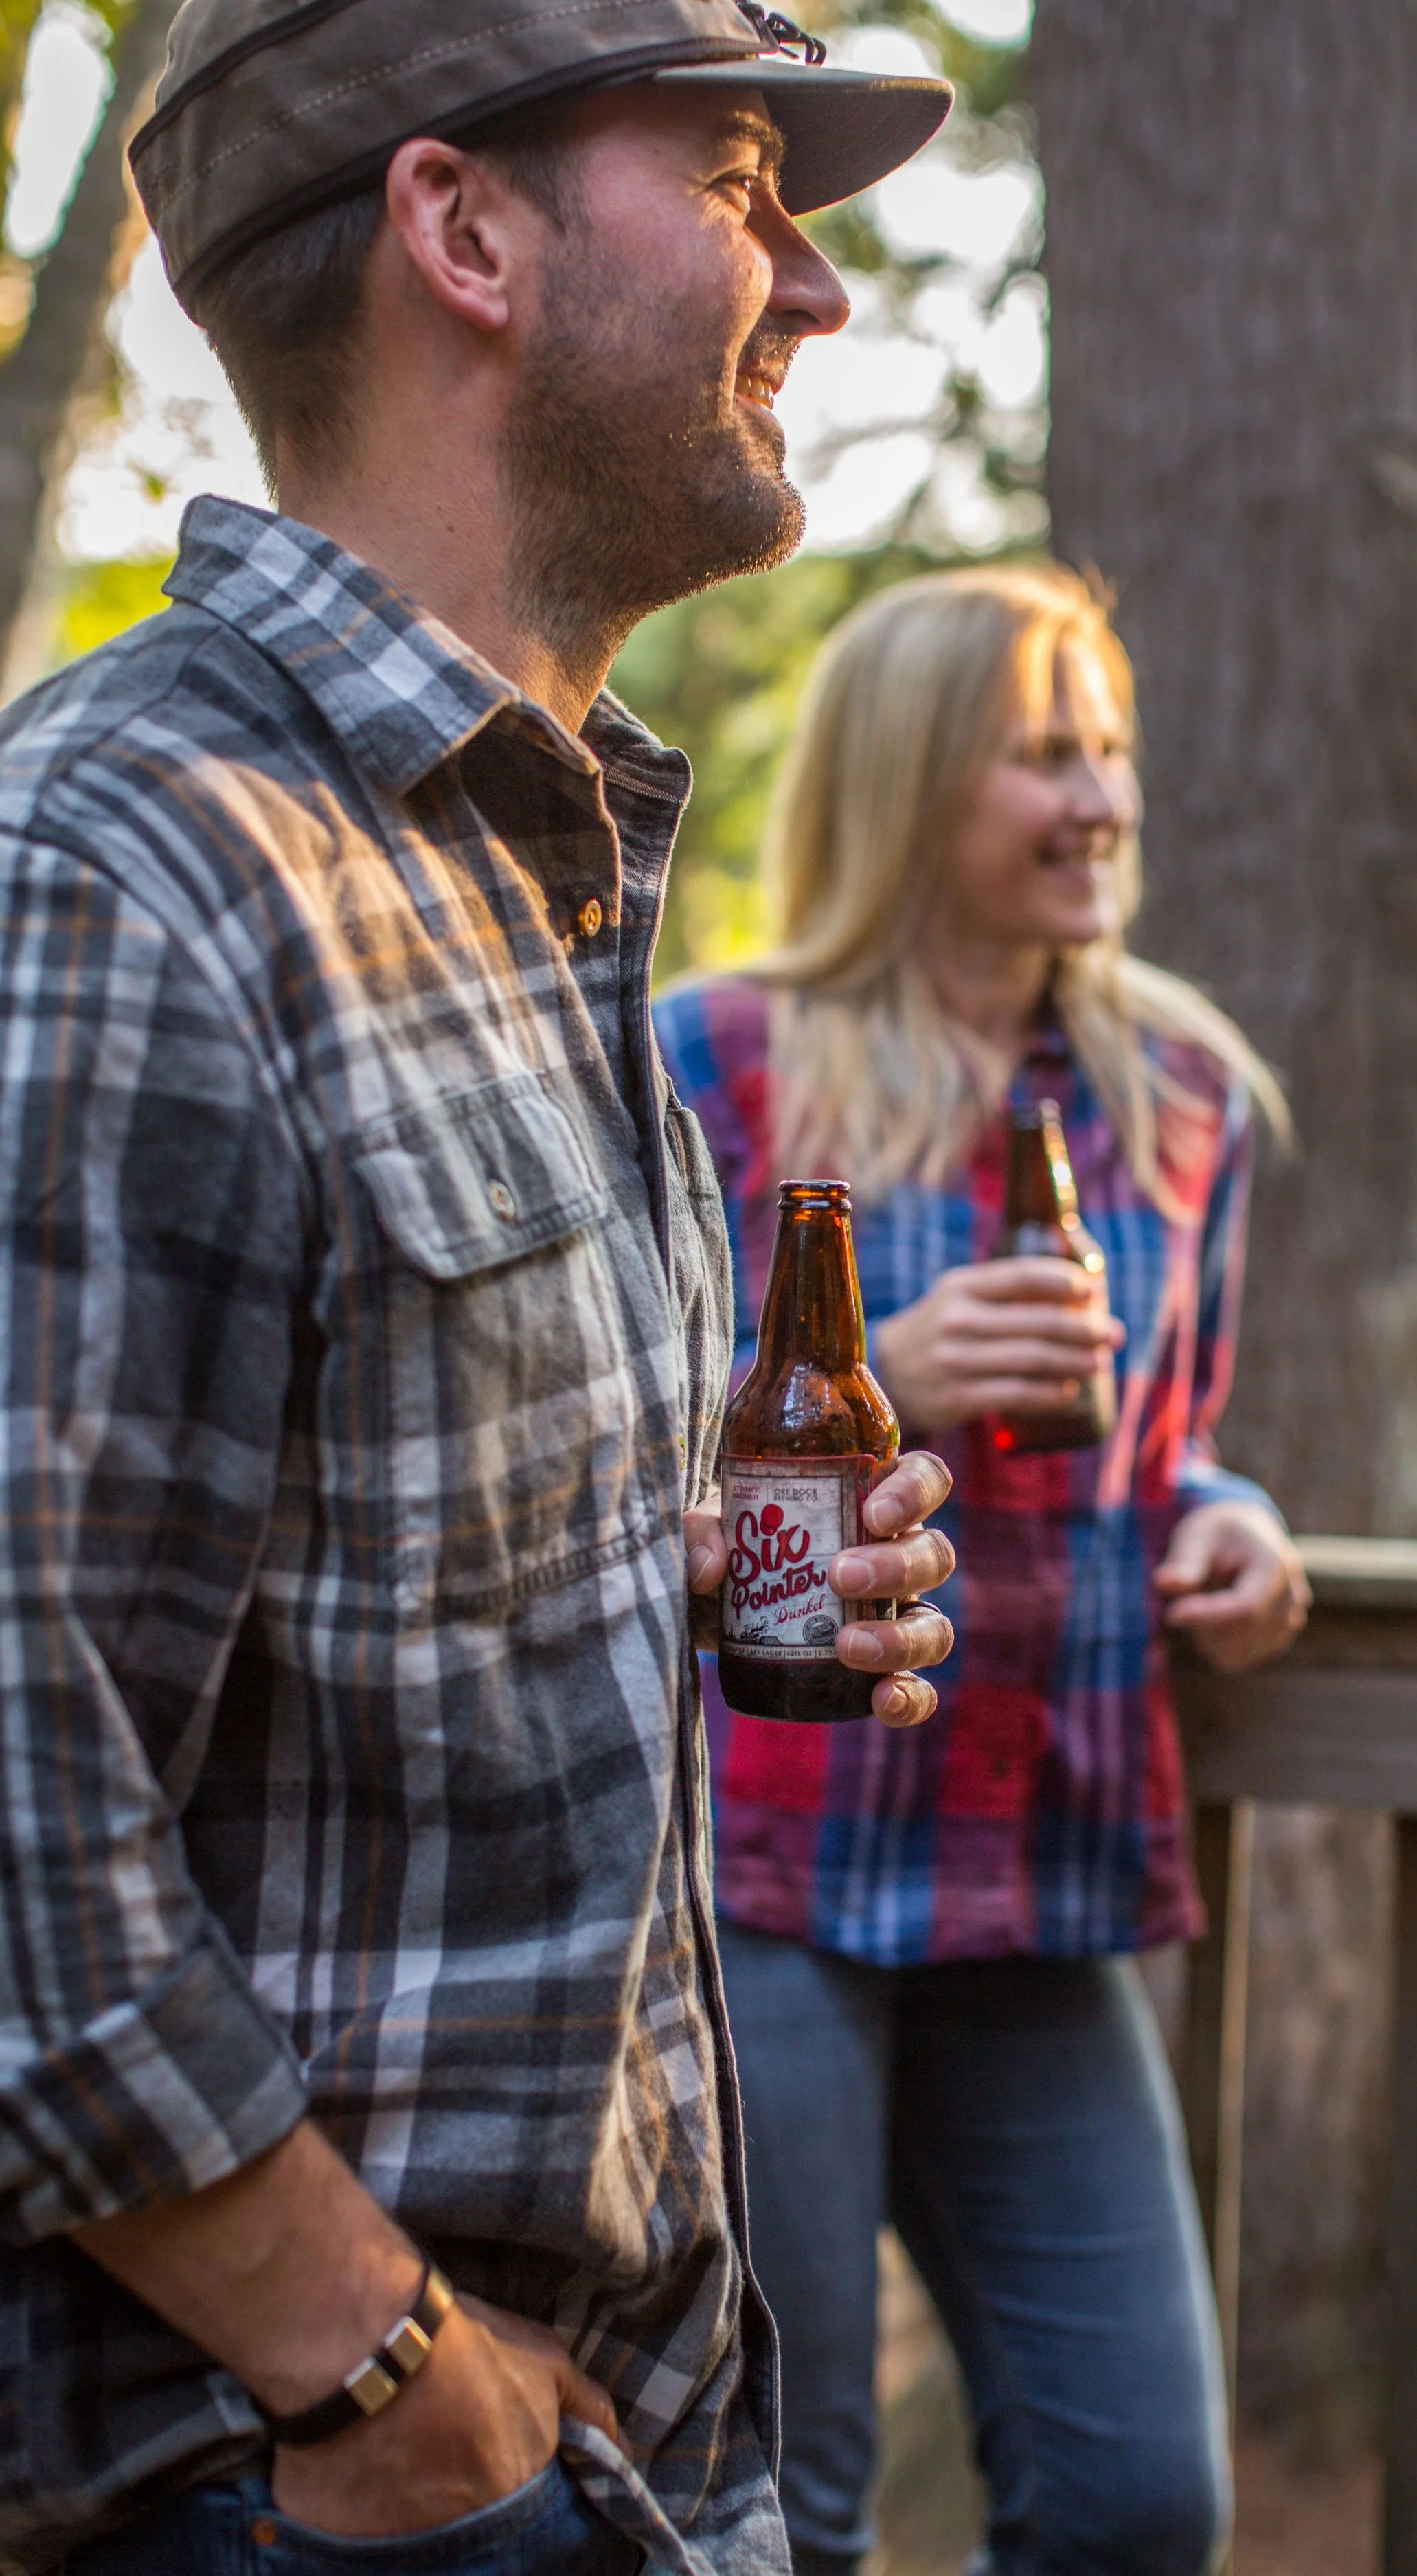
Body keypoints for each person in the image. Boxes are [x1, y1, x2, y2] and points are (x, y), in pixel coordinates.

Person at [0, 8, 962, 2573]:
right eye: (749, 181)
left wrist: (683, 1588)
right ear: (465, 235)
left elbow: (299, 1619)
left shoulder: (514, 874)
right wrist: (391, 2381)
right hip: (311, 2486)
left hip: (611, 2451)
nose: (816, 288)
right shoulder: (131, 863)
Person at [654, 564, 1312, 2576]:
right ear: (913, 779)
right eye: (1044, 749)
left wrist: (1230, 1513)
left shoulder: (1179, 1093)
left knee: (1133, 2495)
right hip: (764, 1860)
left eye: (1105, 742)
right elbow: (609, 1458)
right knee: (795, 2497)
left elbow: (1161, 1419)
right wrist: (889, 1384)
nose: (1099, 791)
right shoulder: (717, 1061)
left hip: (1043, 1860)